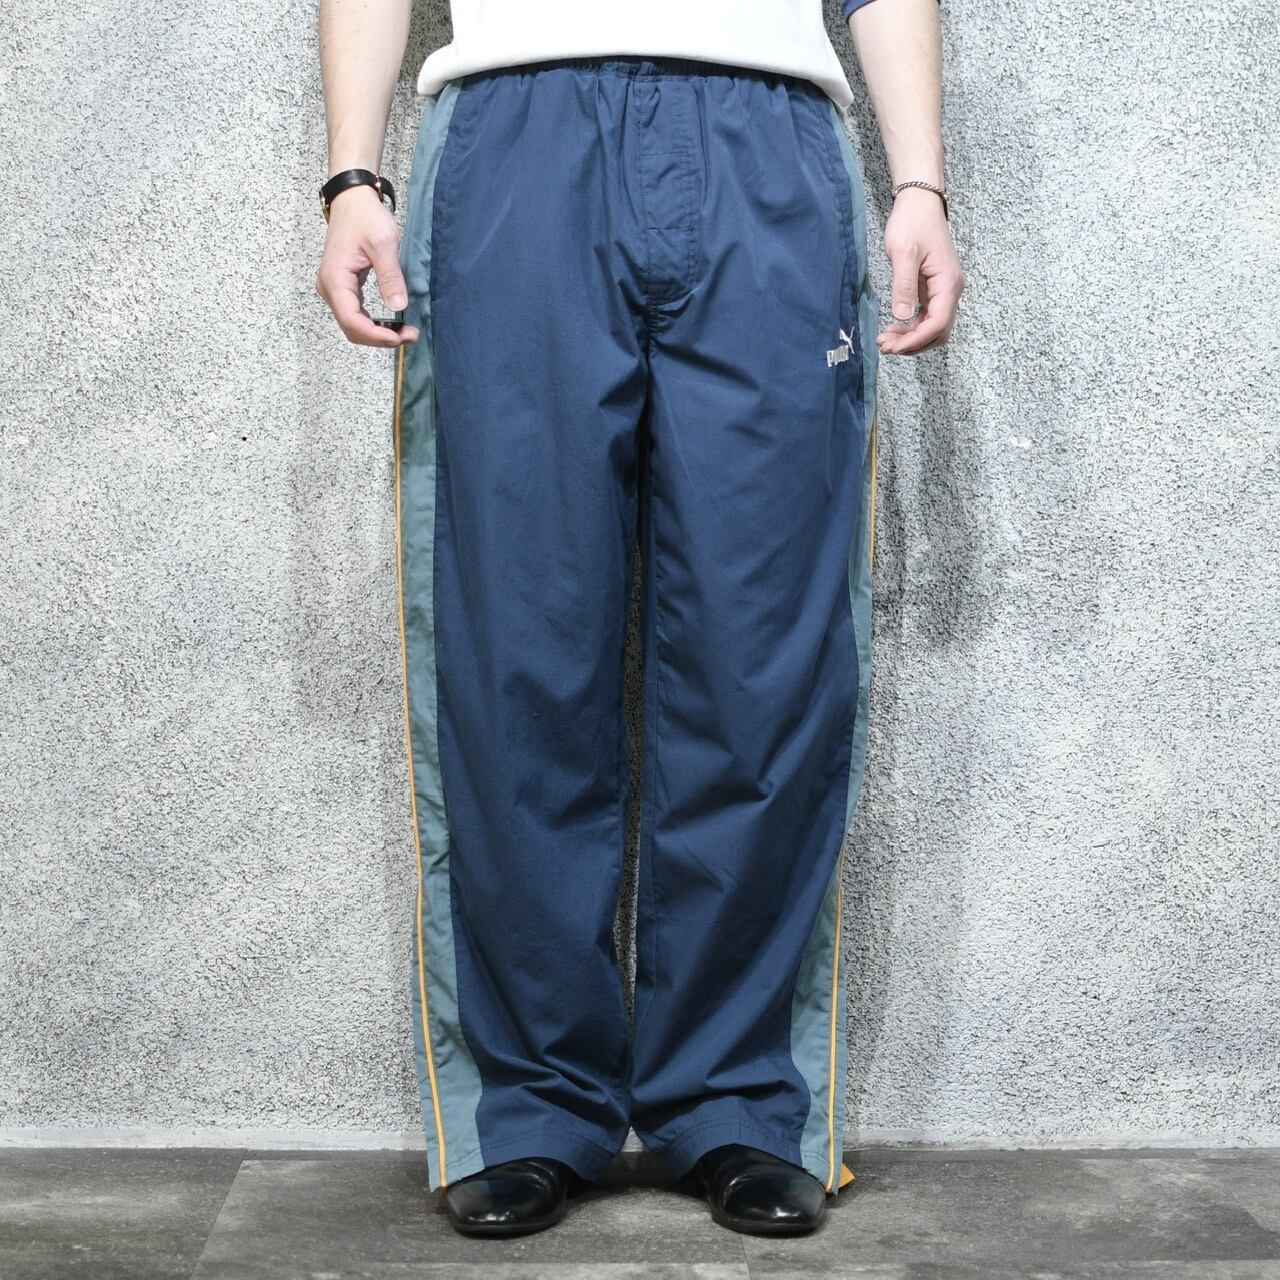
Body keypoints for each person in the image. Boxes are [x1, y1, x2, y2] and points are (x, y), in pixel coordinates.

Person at [315, 0, 963, 1241]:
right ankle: (528, 1102)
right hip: (517, 128)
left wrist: (919, 181)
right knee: (515, 644)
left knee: (763, 658)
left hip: (766, 135)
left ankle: (735, 1095)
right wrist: (352, 173)